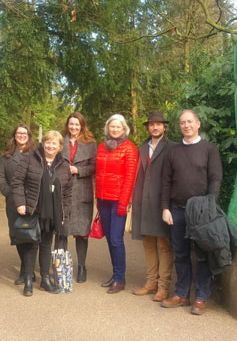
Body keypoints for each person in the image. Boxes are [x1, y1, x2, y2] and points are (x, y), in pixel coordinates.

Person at [160, 110, 222, 315]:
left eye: (189, 122)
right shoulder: (173, 151)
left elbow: (215, 178)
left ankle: (202, 297)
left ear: (198, 124)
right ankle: (182, 293)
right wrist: (165, 208)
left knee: (203, 255)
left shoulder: (209, 149)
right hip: (177, 211)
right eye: (182, 123)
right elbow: (166, 181)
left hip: (202, 212)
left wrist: (210, 204)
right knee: (180, 254)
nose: (186, 125)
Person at [12, 130, 73, 296]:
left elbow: (67, 191)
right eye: (48, 142)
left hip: (53, 213)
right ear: (43, 143)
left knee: (46, 245)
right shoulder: (30, 158)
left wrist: (64, 212)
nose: (50, 146)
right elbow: (17, 182)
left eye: (54, 143)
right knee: (31, 245)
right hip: (33, 210)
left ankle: (45, 280)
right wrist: (20, 203)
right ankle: (28, 281)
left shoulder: (64, 164)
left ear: (60, 147)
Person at [131, 111, 176, 302]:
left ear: (164, 127)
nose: (155, 127)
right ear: (148, 127)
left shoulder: (173, 147)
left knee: (164, 245)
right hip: (144, 201)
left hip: (163, 202)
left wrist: (169, 204)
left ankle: (163, 286)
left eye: (158, 124)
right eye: (151, 124)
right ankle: (151, 283)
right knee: (148, 243)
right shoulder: (142, 147)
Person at [95, 114, 138, 294]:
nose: (114, 129)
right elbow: (98, 174)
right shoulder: (101, 147)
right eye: (111, 126)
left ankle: (120, 279)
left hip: (117, 201)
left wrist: (124, 202)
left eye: (118, 127)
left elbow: (130, 177)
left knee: (116, 239)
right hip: (103, 200)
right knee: (109, 240)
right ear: (107, 128)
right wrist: (98, 198)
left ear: (124, 129)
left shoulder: (129, 149)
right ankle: (115, 274)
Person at [57, 112, 97, 283]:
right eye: (71, 124)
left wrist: (79, 170)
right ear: (68, 125)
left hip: (82, 192)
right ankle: (61, 268)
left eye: (77, 124)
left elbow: (95, 166)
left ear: (82, 126)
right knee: (61, 232)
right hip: (62, 192)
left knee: (81, 233)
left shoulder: (90, 144)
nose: (74, 127)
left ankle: (81, 266)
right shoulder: (59, 141)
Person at [0, 123, 36, 285]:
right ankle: (27, 270)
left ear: (29, 136)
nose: (21, 136)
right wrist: (9, 193)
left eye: (24, 133)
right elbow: (1, 178)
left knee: (32, 235)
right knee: (18, 235)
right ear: (14, 136)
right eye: (19, 133)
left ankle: (27, 272)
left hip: (33, 201)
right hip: (13, 201)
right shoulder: (5, 157)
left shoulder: (36, 154)